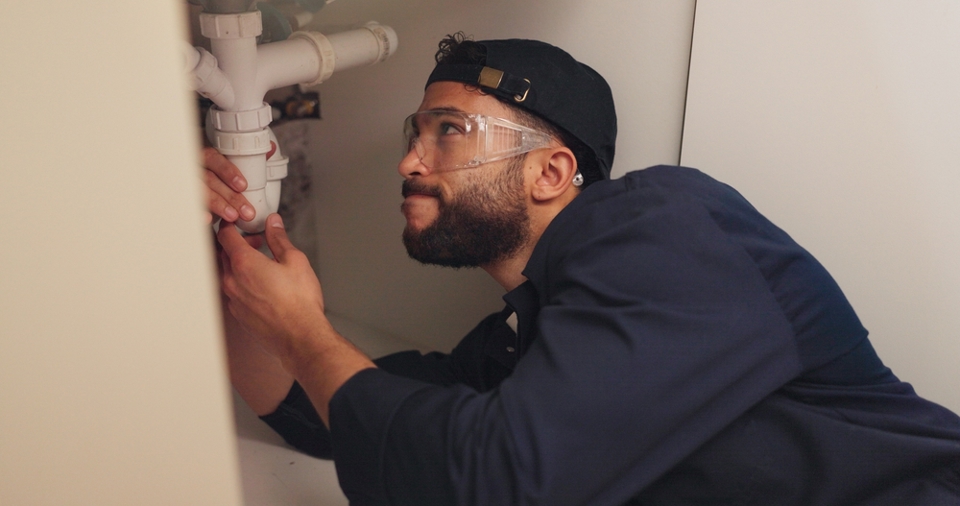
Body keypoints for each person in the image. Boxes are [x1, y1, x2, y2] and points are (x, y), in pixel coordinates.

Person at [205, 34, 960, 505]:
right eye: (415, 133)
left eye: (449, 130)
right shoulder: (528, 339)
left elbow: (499, 485)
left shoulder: (666, 223)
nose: (408, 161)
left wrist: (304, 332)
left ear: (552, 172)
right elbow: (318, 412)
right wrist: (223, 250)